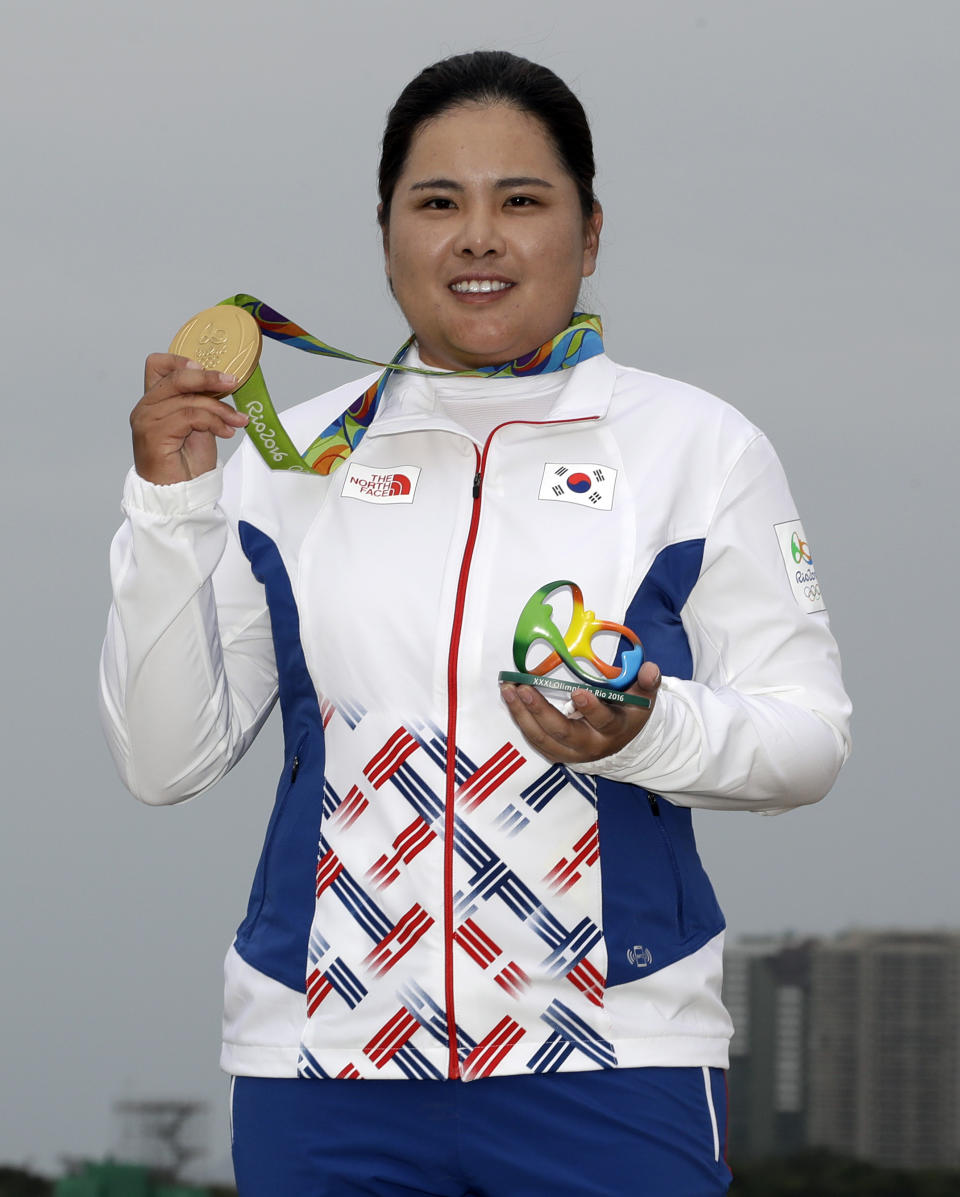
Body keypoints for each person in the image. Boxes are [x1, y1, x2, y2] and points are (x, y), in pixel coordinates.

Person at [99, 50, 851, 1196]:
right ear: (388, 231)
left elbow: (810, 740)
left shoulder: (697, 448)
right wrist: (168, 504)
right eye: (438, 202)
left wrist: (648, 732)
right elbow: (163, 764)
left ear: (590, 234)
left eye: (523, 201)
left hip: (612, 1062)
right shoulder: (287, 457)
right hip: (323, 1063)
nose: (479, 237)